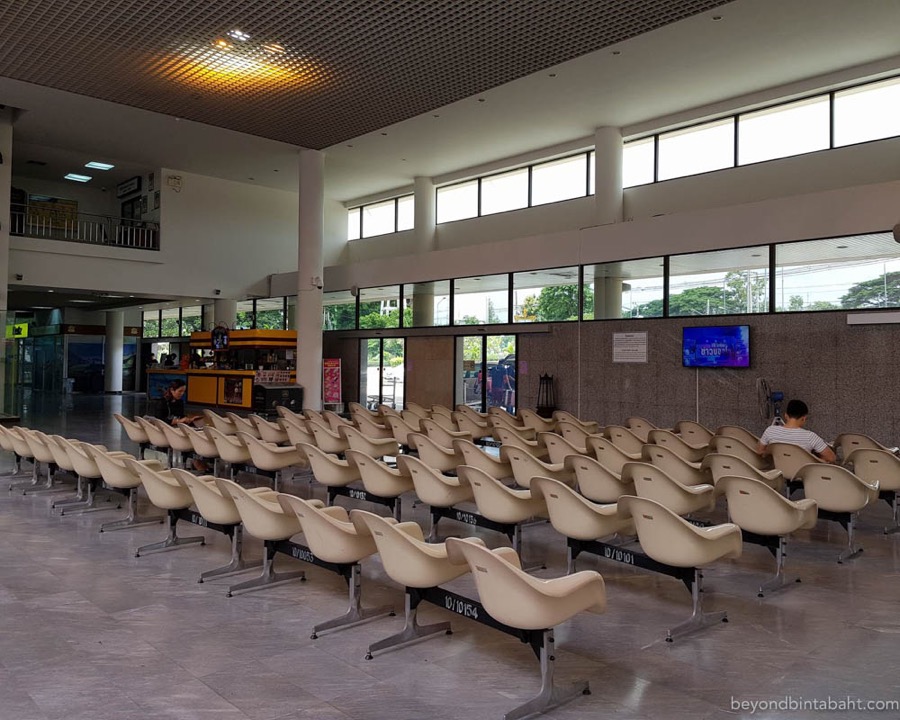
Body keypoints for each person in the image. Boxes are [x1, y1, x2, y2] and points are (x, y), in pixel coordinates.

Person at [757, 399, 836, 463]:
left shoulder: (770, 430)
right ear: (804, 418)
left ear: (786, 415)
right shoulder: (810, 437)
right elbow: (831, 458)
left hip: (779, 471)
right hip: (802, 474)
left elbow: (760, 451)